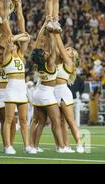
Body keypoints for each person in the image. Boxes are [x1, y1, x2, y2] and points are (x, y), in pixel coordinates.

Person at [30, 23, 66, 153]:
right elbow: (53, 46)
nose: (46, 52)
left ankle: (34, 146)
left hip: (38, 93)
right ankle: (61, 147)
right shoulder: (49, 63)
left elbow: (39, 45)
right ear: (43, 57)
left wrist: (44, 28)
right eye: (44, 53)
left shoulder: (38, 64)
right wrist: (51, 33)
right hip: (47, 94)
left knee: (41, 122)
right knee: (56, 121)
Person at [53, 33, 84, 153]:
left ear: (72, 56)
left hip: (63, 92)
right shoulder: (57, 60)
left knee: (70, 121)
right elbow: (56, 47)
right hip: (53, 92)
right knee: (59, 122)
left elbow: (59, 46)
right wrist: (51, 33)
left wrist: (56, 33)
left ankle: (80, 144)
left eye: (69, 50)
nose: (66, 51)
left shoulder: (69, 63)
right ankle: (65, 146)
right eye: (66, 49)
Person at [3, 32, 33, 154]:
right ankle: (8, 146)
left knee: (24, 119)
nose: (13, 46)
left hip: (21, 89)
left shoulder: (20, 56)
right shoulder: (6, 56)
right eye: (13, 45)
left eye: (15, 45)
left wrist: (21, 35)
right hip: (11, 89)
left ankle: (27, 146)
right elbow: (9, 42)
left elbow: (27, 38)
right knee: (9, 119)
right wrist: (15, 38)